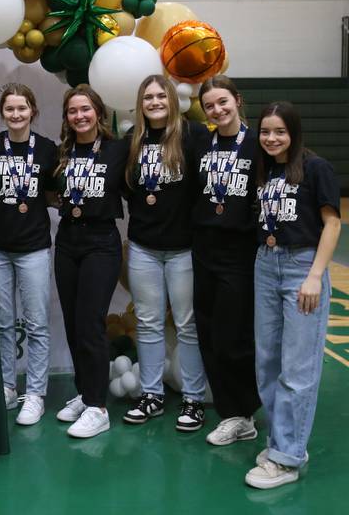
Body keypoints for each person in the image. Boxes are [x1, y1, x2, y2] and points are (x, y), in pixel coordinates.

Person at [245, 102, 341, 489]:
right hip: (266, 264)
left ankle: (287, 458)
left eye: (279, 132)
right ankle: (281, 441)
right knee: (267, 362)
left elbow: (332, 224)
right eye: (265, 131)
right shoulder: (265, 169)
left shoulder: (316, 168)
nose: (271, 138)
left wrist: (315, 276)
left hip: (303, 267)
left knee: (297, 369)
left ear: (294, 133)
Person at [122, 75, 208, 431]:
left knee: (187, 325)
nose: (155, 102)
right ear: (140, 104)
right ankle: (152, 395)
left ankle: (193, 399)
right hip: (144, 247)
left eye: (161, 96)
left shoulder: (194, 136)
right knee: (148, 322)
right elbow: (130, 191)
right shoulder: (133, 141)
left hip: (184, 249)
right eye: (148, 97)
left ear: (172, 99)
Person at [0, 84, 57, 426]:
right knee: (1, 323)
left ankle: (36, 394)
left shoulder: (49, 149)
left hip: (35, 247)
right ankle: (7, 386)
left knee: (37, 324)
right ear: (2, 113)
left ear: (33, 111)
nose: (16, 114)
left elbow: (54, 195)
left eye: (22, 108)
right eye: (9, 109)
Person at [51, 85, 127, 438]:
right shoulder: (62, 152)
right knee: (72, 323)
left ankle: (98, 408)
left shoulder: (117, 151)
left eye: (85, 109)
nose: (79, 116)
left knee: (91, 323)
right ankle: (86, 393)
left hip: (101, 242)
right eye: (72, 111)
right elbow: (52, 194)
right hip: (68, 240)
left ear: (98, 112)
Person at [192, 75, 261, 446]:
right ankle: (229, 411)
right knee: (208, 333)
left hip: (239, 251)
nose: (217, 110)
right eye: (209, 106)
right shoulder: (202, 142)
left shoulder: (257, 144)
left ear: (237, 100)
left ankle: (244, 412)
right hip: (204, 247)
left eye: (223, 102)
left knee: (233, 336)